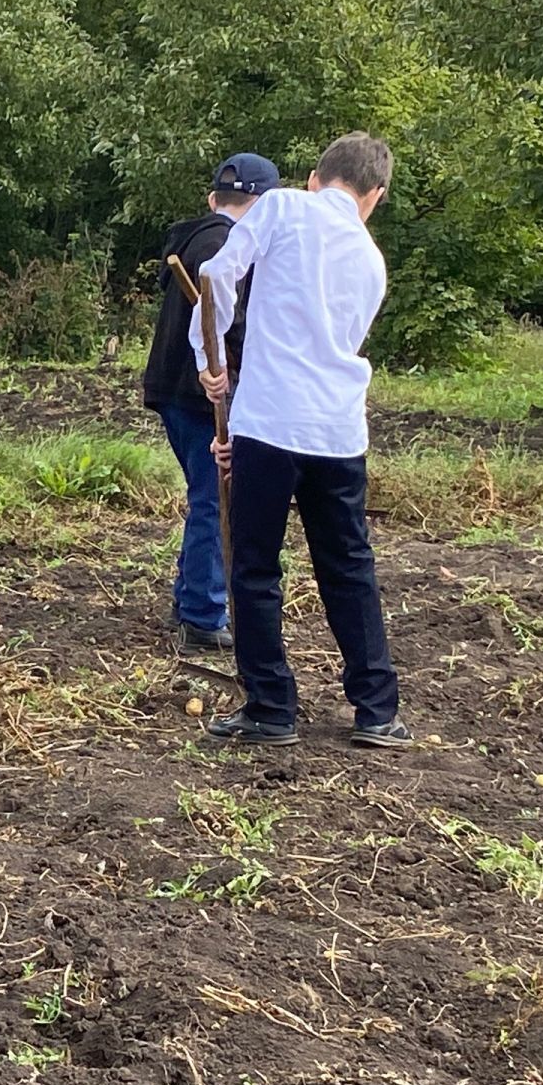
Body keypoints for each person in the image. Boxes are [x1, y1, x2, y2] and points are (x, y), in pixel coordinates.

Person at [193, 132, 410, 749]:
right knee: (348, 565)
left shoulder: (281, 206)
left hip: (269, 421)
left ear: (315, 175)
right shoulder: (371, 259)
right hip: (339, 431)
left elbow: (216, 278)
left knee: (256, 565)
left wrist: (211, 359)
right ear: (375, 195)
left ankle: (270, 706)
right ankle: (376, 709)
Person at [142, 152, 278, 652]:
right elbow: (227, 319)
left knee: (207, 493)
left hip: (173, 390)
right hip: (201, 394)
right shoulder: (225, 245)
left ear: (212, 199)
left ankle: (192, 601)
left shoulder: (196, 237)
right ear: (264, 204)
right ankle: (202, 611)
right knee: (215, 497)